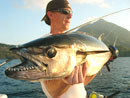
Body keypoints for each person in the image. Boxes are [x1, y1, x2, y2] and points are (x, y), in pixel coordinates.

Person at [41, 0, 97, 98]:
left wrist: (102, 62)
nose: (70, 16)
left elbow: (80, 84)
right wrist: (65, 81)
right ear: (50, 14)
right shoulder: (45, 46)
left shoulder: (74, 42)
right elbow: (53, 92)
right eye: (66, 12)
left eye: (71, 12)